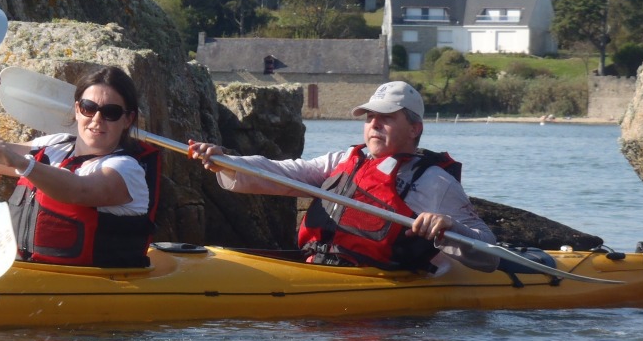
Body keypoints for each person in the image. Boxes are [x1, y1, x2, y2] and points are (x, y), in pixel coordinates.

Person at [189, 81, 498, 275]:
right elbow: (284, 173)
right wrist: (226, 161)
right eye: (370, 117)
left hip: (382, 284)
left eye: (387, 117)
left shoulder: (433, 181)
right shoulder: (344, 161)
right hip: (321, 268)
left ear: (415, 128)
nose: (374, 125)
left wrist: (449, 226)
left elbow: (489, 253)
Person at [0, 65, 160, 267]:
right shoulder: (53, 146)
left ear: (128, 119)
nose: (97, 119)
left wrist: (19, 161)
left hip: (88, 282)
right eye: (88, 108)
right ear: (77, 109)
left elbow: (78, 190)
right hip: (26, 269)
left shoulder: (127, 169)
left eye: (111, 112)